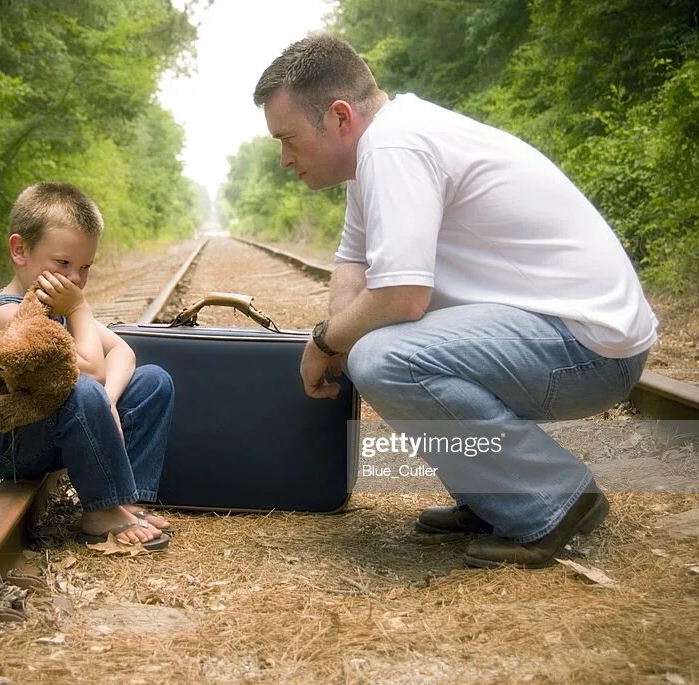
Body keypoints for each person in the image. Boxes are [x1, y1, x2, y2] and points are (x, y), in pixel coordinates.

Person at [254, 35, 658, 569]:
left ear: (339, 117)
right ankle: (491, 495)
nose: (285, 159)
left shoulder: (397, 146)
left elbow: (401, 295)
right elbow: (352, 262)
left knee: (383, 356)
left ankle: (552, 501)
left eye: (288, 138)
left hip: (588, 350)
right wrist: (338, 339)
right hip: (561, 335)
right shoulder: (379, 152)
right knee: (365, 342)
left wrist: (324, 339)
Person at [0, 182, 174, 552]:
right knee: (84, 388)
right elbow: (90, 373)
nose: (75, 278)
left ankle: (127, 498)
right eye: (63, 263)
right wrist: (80, 310)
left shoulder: (54, 300)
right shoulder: (9, 313)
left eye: (85, 266)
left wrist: (108, 402)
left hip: (38, 425)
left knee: (153, 381)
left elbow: (123, 353)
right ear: (20, 250)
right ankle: (100, 512)